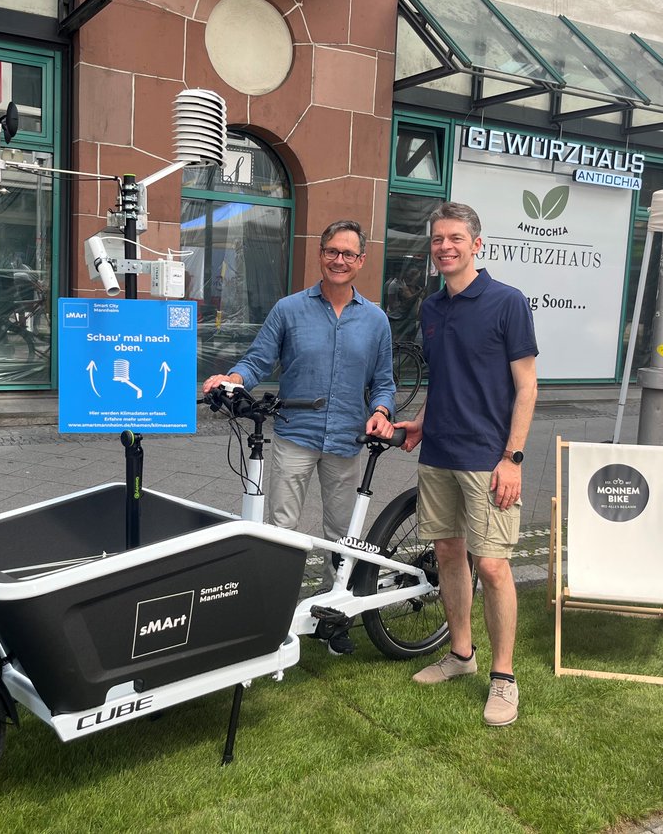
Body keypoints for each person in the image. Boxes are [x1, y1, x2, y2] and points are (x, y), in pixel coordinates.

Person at [202, 219, 395, 654]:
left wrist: (382, 411)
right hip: (294, 436)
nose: (339, 260)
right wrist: (232, 380)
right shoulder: (289, 309)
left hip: (348, 440)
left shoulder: (376, 320)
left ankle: (335, 616)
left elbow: (384, 382)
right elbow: (257, 359)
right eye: (332, 251)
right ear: (320, 254)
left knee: (341, 534)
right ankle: (273, 619)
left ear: (361, 261)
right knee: (282, 531)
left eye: (348, 253)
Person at [395, 202, 538, 727]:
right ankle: (461, 655)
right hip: (439, 454)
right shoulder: (432, 308)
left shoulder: (507, 302)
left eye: (455, 238)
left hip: (489, 459)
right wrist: (422, 422)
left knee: (494, 565)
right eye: (437, 239)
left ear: (478, 244)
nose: (445, 247)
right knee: (449, 554)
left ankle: (504, 678)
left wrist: (512, 458)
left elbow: (527, 386)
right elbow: (447, 381)